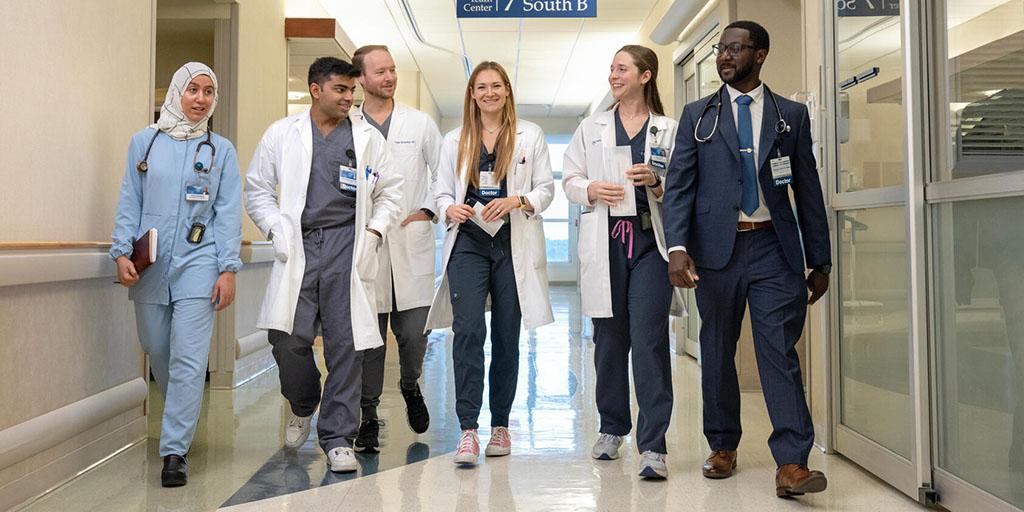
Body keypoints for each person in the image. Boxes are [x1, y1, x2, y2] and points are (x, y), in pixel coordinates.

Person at [662, 20, 832, 497]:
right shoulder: (698, 114)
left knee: (778, 350)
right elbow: (678, 189)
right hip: (716, 250)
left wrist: (820, 260)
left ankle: (793, 463)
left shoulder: (790, 115)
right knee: (716, 348)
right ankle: (722, 445)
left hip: (774, 248)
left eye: (734, 49)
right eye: (721, 50)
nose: (724, 57)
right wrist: (677, 249)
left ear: (760, 55)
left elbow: (808, 188)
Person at [245, 57, 403, 473]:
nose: (350, 98)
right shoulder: (283, 133)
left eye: (352, 91)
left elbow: (391, 192)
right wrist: (275, 229)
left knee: (346, 345)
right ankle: (302, 401)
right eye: (341, 90)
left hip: (347, 245)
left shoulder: (366, 138)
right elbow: (257, 188)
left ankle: (337, 437)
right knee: (287, 337)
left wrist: (374, 232)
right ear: (316, 90)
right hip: (297, 244)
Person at [111, 62, 242, 487]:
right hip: (151, 261)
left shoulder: (220, 150)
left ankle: (174, 452)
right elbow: (130, 199)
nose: (200, 98)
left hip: (199, 261)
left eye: (208, 91)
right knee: (155, 346)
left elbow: (226, 213)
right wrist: (119, 252)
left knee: (188, 357)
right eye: (192, 90)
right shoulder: (143, 144)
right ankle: (181, 416)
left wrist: (227, 268)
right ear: (175, 93)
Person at [423, 61, 555, 467]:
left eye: (496, 86)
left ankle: (500, 424)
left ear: (507, 91)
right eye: (481, 87)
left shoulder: (530, 136)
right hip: (468, 243)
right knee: (467, 332)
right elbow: (441, 190)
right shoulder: (454, 139)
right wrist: (450, 209)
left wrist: (517, 200)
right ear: (472, 94)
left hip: (512, 242)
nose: (489, 93)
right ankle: (468, 431)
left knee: (506, 335)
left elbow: (546, 189)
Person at [562, 45, 679, 479]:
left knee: (649, 342)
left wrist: (658, 181)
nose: (613, 74)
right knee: (609, 343)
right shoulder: (591, 127)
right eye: (610, 68)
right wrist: (590, 189)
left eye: (622, 68)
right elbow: (570, 177)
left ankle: (653, 447)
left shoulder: (668, 129)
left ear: (645, 76)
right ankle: (612, 428)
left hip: (650, 244)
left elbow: (685, 183)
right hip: (606, 241)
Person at [350, 45, 442, 453]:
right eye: (380, 71)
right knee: (368, 338)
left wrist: (429, 209)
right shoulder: (348, 124)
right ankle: (367, 416)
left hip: (410, 241)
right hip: (365, 244)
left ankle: (410, 384)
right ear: (361, 78)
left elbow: (446, 176)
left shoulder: (420, 124)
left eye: (392, 70)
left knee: (412, 334)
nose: (389, 77)